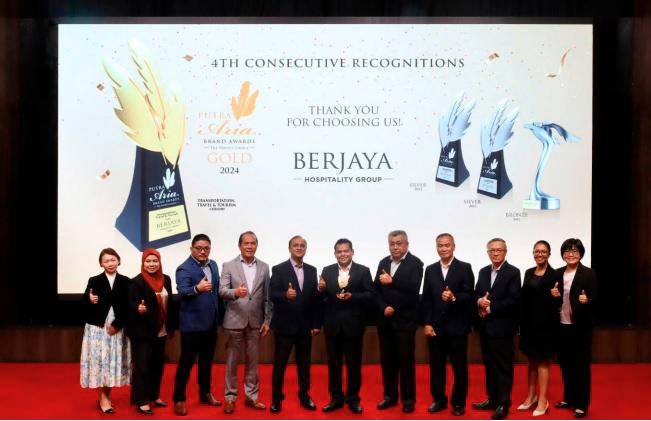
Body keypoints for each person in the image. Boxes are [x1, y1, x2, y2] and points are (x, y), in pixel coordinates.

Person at [317, 238, 375, 414]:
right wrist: (320, 290)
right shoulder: (327, 271)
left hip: (353, 325)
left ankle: (353, 399)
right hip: (332, 325)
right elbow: (322, 298)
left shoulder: (363, 271)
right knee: (333, 365)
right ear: (335, 254)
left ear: (352, 252)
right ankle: (335, 399)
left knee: (353, 366)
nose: (342, 254)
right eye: (339, 251)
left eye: (345, 251)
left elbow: (371, 295)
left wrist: (353, 296)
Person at [218, 231, 272, 414]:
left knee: (253, 363)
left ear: (257, 245)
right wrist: (235, 293)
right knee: (232, 362)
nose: (249, 246)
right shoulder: (228, 265)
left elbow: (267, 297)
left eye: (253, 243)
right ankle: (230, 398)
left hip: (256, 323)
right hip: (234, 321)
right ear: (239, 245)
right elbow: (222, 291)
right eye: (246, 243)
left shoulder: (264, 267)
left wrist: (267, 319)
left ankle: (252, 397)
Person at [421, 233, 474, 416]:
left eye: (447, 245)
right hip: (435, 327)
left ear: (454, 246)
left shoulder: (465, 268)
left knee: (459, 368)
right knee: (436, 367)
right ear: (436, 247)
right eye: (440, 245)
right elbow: (426, 299)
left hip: (457, 327)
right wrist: (426, 323)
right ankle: (439, 400)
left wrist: (454, 297)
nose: (443, 248)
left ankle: (458, 403)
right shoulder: (430, 269)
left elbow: (470, 296)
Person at [268, 235, 321, 414]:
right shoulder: (279, 269)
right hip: (285, 326)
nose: (299, 248)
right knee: (280, 365)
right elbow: (272, 294)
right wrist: (285, 295)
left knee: (304, 365)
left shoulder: (313, 270)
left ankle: (304, 396)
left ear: (306, 248)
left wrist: (316, 324)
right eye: (296, 245)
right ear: (290, 248)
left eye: (302, 245)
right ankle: (276, 399)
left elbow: (314, 300)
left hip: (305, 327)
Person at [173, 234, 224, 416]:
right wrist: (197, 288)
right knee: (186, 363)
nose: (203, 251)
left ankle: (205, 394)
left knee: (206, 362)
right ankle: (179, 399)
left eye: (206, 248)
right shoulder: (184, 268)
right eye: (199, 248)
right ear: (191, 249)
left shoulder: (214, 265)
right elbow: (182, 292)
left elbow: (216, 292)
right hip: (192, 326)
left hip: (211, 324)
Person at [374, 230, 424, 413]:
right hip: (385, 321)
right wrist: (383, 307)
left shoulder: (416, 263)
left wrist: (392, 280)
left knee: (405, 362)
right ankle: (389, 396)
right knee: (387, 361)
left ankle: (408, 399)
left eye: (399, 243)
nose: (395, 246)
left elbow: (413, 289)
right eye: (392, 243)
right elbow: (376, 290)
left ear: (406, 245)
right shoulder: (383, 262)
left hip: (405, 322)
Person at [473, 238, 521, 420]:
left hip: (502, 328)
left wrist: (490, 308)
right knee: (489, 366)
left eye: (499, 250)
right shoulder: (483, 271)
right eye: (491, 250)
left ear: (505, 251)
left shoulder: (513, 272)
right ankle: (492, 399)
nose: (495, 253)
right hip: (485, 328)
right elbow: (477, 293)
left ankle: (503, 403)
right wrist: (479, 302)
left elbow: (514, 300)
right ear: (487, 252)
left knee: (503, 367)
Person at [80, 248, 131, 414]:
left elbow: (129, 306)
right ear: (101, 263)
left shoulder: (126, 281)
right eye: (106, 261)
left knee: (111, 363)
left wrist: (117, 324)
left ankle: (106, 396)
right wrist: (89, 299)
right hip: (97, 328)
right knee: (100, 362)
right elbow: (84, 303)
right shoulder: (94, 280)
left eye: (113, 260)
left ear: (119, 260)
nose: (110, 263)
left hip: (117, 327)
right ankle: (103, 398)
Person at [127, 248, 176, 415]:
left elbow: (171, 302)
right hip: (142, 333)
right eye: (148, 261)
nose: (151, 264)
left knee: (157, 366)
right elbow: (131, 303)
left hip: (160, 331)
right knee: (142, 367)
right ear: (143, 263)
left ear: (159, 262)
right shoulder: (136, 282)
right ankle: (141, 401)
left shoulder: (167, 279)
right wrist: (137, 308)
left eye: (155, 261)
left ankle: (154, 396)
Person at [517, 240, 562, 416]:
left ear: (549, 254)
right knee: (531, 362)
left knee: (543, 363)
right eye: (536, 251)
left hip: (546, 327)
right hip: (529, 326)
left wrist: (555, 296)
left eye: (543, 251)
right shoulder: (528, 272)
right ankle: (531, 397)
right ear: (533, 253)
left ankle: (543, 400)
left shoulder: (555, 275)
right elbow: (524, 299)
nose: (539, 254)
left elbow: (559, 302)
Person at [554, 238, 597, 419]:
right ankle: (569, 398)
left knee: (580, 366)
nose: (570, 254)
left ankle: (581, 404)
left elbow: (596, 298)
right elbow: (554, 299)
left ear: (581, 254)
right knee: (565, 365)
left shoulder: (588, 273)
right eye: (567, 251)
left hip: (580, 327)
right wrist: (553, 295)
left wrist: (588, 301)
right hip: (562, 326)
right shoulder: (557, 273)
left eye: (574, 251)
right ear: (562, 254)